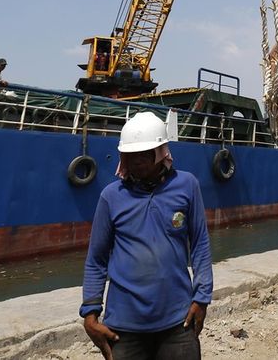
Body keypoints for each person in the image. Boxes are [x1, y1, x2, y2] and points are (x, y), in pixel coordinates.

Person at [80, 111, 213, 360]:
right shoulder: (111, 196)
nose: (137, 161)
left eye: (144, 154)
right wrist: (90, 312)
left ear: (161, 152)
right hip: (123, 327)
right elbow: (96, 259)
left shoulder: (187, 185)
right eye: (131, 155)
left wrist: (202, 298)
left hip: (178, 321)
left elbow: (200, 244)